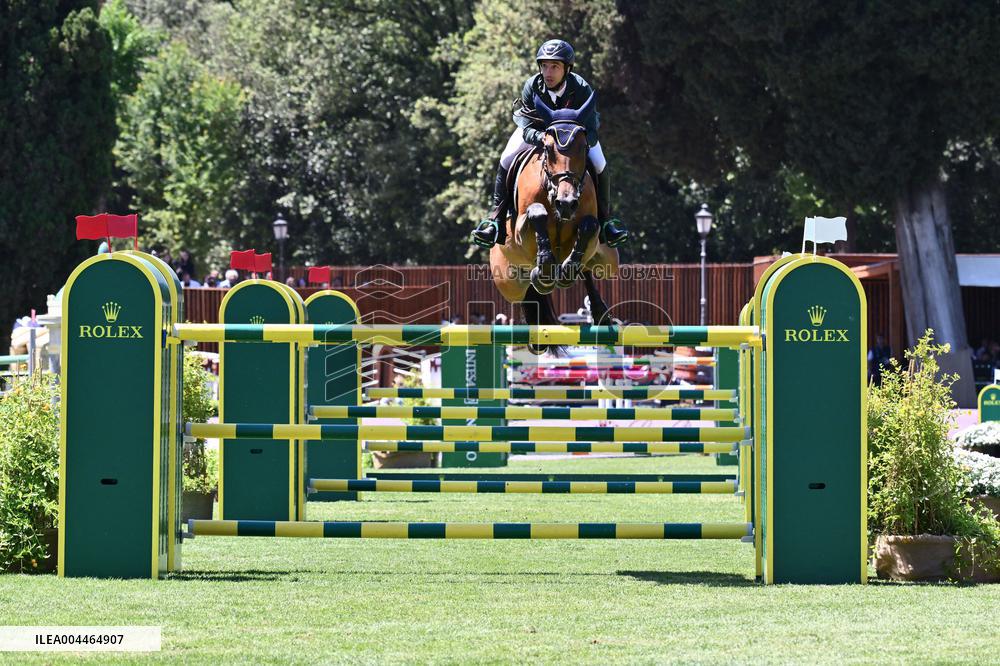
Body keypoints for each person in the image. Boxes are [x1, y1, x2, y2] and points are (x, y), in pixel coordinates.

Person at [471, 39, 628, 249]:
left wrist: (579, 143)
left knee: (599, 163)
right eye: (544, 65)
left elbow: (592, 128)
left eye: (554, 66)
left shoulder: (581, 89)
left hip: (574, 140)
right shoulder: (532, 86)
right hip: (537, 134)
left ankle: (606, 221)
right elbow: (525, 127)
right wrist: (542, 139)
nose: (548, 72)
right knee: (506, 158)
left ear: (567, 69)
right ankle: (496, 221)